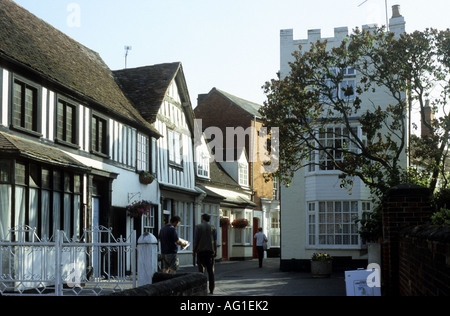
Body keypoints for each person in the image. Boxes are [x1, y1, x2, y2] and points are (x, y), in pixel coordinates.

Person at [193, 214, 217, 294]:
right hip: (210, 252)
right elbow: (215, 241)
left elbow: (196, 240)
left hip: (201, 251)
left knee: (201, 271)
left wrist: (194, 251)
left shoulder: (198, 227)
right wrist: (215, 251)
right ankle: (211, 289)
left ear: (202, 218)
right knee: (211, 272)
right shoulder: (213, 227)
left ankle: (202, 289)